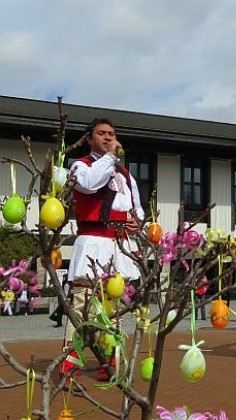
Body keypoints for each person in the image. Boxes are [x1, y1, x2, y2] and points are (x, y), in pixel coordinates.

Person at [62, 118, 144, 382]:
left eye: (112, 133)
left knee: (113, 312)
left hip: (119, 247)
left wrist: (137, 222)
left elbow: (137, 206)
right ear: (90, 139)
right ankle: (68, 368)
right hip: (92, 243)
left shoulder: (126, 175)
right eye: (102, 133)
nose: (108, 137)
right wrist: (109, 157)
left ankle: (108, 365)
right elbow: (90, 184)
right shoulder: (80, 166)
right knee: (83, 308)